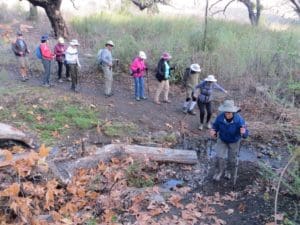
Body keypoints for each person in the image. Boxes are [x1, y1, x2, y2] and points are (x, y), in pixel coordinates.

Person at [210, 100, 249, 181]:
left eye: (229, 112)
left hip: (234, 141)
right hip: (222, 139)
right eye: (226, 112)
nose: (227, 114)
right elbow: (215, 126)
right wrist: (213, 131)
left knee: (232, 159)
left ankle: (228, 171)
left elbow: (245, 134)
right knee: (220, 156)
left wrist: (244, 133)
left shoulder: (239, 120)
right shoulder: (220, 117)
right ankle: (219, 172)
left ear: (233, 112)